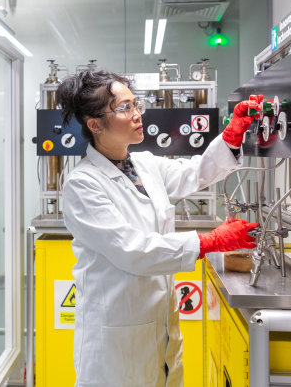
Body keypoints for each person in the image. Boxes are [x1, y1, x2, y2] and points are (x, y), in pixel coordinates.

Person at [56, 70, 262, 387]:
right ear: (95, 125)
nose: (137, 114)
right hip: (116, 341)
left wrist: (231, 137)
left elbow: (195, 173)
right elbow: (134, 250)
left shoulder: (145, 164)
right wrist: (209, 242)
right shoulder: (82, 185)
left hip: (161, 329)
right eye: (124, 108)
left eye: (135, 104)